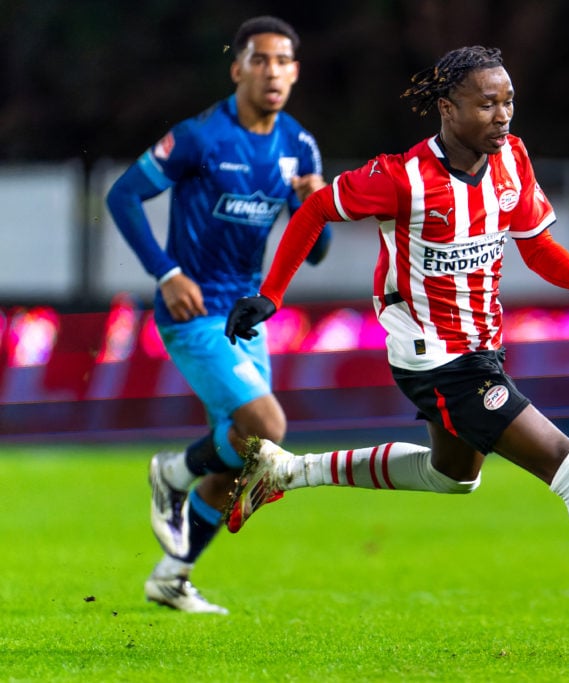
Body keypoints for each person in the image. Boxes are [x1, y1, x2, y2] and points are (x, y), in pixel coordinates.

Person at [223, 45, 569, 659]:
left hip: (481, 350)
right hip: (435, 358)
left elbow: (535, 246)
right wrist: (269, 296)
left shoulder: (511, 159)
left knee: (453, 477)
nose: (502, 115)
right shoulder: (402, 179)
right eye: (487, 103)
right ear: (449, 108)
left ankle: (288, 471)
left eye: (508, 100)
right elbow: (319, 207)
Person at [105, 15, 332, 614]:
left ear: (296, 72)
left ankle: (173, 576)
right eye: (260, 59)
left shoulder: (299, 146)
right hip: (194, 308)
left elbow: (318, 250)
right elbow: (123, 194)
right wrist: (166, 272)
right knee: (270, 427)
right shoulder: (201, 137)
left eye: (284, 61)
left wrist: (315, 208)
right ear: (237, 68)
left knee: (245, 451)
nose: (273, 71)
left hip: (246, 316)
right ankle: (172, 475)